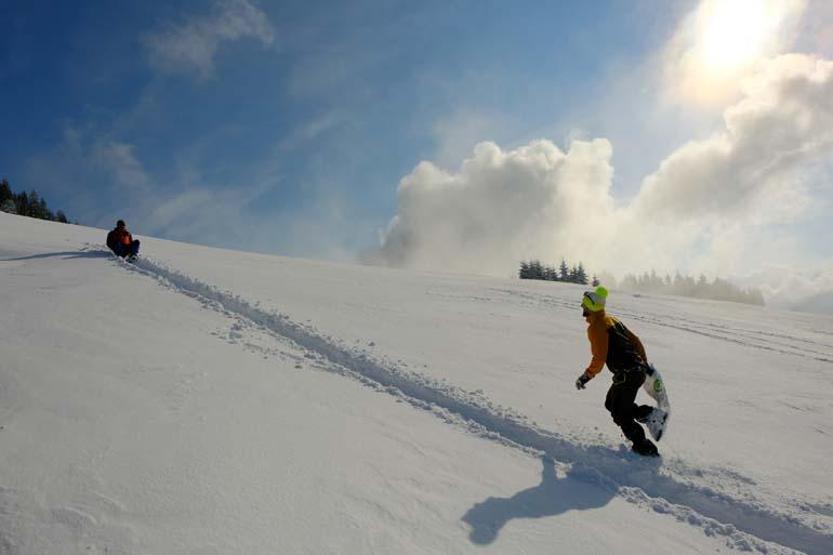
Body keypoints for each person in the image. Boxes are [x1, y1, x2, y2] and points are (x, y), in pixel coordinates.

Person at [574, 286, 659, 457]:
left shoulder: (597, 327)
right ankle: (648, 414)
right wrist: (643, 363)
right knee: (611, 403)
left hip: (627, 375)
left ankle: (644, 446)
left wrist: (586, 376)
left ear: (590, 307)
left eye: (584, 305)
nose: (582, 308)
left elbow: (599, 358)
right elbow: (636, 341)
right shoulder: (611, 319)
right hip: (634, 372)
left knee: (620, 414)